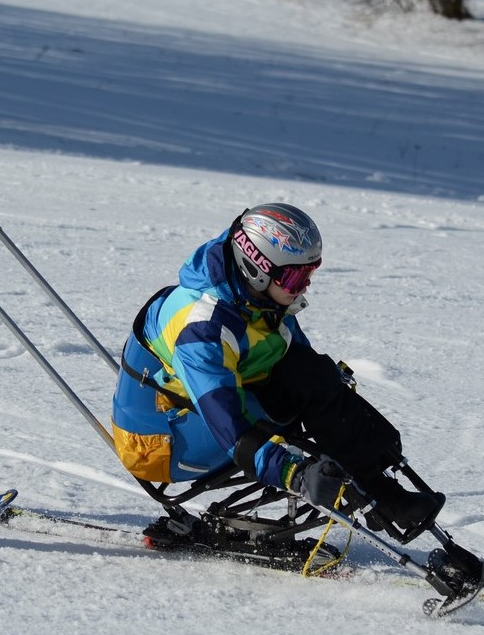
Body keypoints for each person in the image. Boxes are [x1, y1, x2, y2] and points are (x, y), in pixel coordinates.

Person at [111, 203, 442, 535]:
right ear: (257, 268)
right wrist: (293, 475)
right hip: (158, 442)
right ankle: (373, 494)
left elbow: (303, 367)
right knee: (281, 403)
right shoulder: (203, 329)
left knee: (312, 378)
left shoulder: (260, 300)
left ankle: (387, 494)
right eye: (297, 276)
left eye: (310, 273)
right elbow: (230, 425)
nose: (305, 285)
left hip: (204, 408)